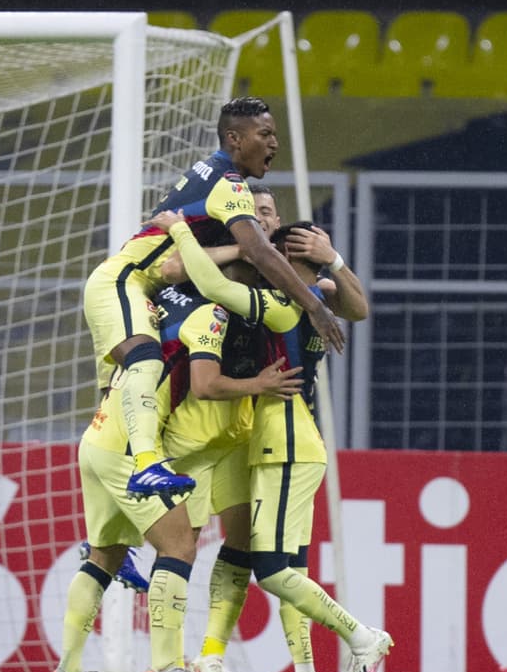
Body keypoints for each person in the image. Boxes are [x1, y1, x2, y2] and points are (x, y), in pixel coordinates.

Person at [157, 209, 391, 672]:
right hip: (283, 441)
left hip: (284, 444)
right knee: (293, 567)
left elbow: (209, 282)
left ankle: (363, 638)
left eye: (279, 258)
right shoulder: (307, 302)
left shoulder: (279, 305)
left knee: (271, 569)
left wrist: (179, 229)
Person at [49, 250, 302, 672]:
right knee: (179, 546)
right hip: (131, 445)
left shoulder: (167, 299)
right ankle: (166, 668)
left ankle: (66, 671)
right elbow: (204, 382)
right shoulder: (210, 314)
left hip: (102, 434)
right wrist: (257, 385)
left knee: (104, 557)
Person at [82, 96, 344, 502]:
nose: (275, 143)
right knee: (144, 362)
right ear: (235, 139)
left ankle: (108, 533)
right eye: (266, 134)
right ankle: (146, 464)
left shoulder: (214, 171)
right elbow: (257, 251)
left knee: (120, 397)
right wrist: (314, 306)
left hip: (139, 287)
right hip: (125, 281)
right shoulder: (229, 184)